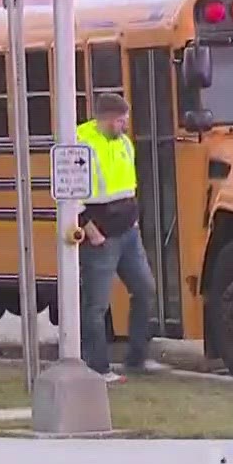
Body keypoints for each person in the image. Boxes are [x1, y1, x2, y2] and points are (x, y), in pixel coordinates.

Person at [76, 93, 166, 382]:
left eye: (124, 119)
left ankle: (137, 358)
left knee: (145, 290)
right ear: (104, 118)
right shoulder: (81, 144)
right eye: (119, 120)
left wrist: (135, 221)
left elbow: (129, 185)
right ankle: (97, 367)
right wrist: (89, 228)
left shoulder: (124, 144)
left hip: (128, 231)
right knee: (96, 304)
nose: (124, 125)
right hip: (101, 233)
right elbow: (70, 191)